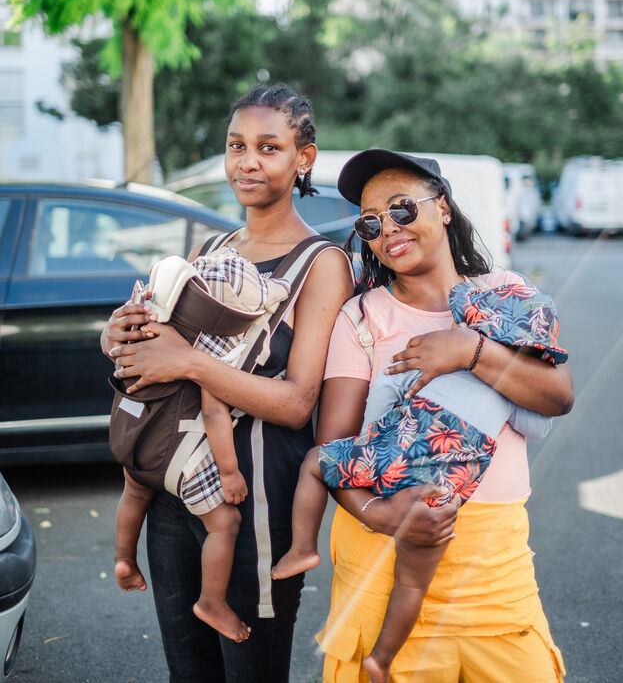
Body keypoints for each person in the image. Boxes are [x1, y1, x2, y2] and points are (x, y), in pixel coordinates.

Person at [101, 84, 357, 683]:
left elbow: (297, 404)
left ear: (304, 158)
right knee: (187, 671)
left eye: (269, 147)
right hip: (174, 486)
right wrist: (117, 337)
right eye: (237, 145)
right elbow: (153, 351)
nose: (248, 162)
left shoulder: (321, 265)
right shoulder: (210, 249)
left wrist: (189, 364)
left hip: (253, 503)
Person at [312, 149, 574, 683]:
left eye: (402, 208)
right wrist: (380, 515)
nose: (388, 228)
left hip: (492, 570)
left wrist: (471, 352)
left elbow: (558, 396)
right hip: (383, 558)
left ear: (445, 208)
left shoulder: (504, 294)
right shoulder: (360, 318)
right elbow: (332, 448)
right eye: (370, 223)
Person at [272, 268, 567, 682]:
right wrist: (506, 383)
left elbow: (389, 387)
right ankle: (381, 658)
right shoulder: (492, 372)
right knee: (411, 584)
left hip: (397, 465)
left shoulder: (440, 349)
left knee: (315, 462)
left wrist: (376, 440)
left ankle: (303, 547)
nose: (390, 234)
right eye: (371, 230)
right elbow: (537, 424)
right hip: (444, 490)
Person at [113, 247, 292, 645]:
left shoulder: (154, 317)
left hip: (135, 437)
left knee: (134, 494)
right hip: (181, 457)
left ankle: (124, 558)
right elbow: (213, 413)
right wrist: (229, 472)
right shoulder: (217, 347)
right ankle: (212, 602)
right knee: (224, 525)